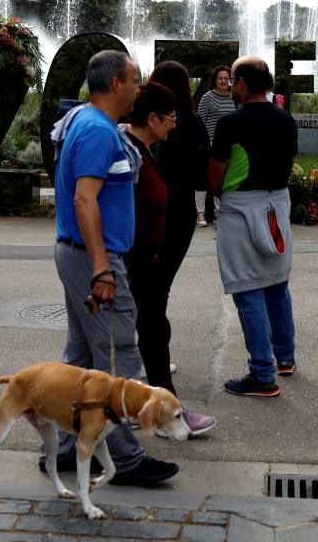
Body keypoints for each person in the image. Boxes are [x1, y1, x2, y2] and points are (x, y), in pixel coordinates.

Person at [49, 50, 179, 485]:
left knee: (83, 357)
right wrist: (103, 269)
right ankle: (124, 457)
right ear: (117, 84)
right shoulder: (97, 132)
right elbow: (84, 200)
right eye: (135, 79)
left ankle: (65, 448)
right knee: (117, 354)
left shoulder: (91, 124)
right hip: (94, 259)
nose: (140, 88)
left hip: (85, 255)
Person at [123, 82, 216, 437]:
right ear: (152, 118)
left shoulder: (146, 151)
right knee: (147, 329)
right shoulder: (131, 153)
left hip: (144, 258)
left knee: (151, 327)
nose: (175, 125)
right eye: (171, 118)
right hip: (135, 261)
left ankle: (158, 410)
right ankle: (160, 415)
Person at [208, 56, 298, 398]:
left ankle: (262, 373)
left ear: (242, 83)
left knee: (247, 290)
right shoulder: (285, 120)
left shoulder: (231, 123)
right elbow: (289, 165)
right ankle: (285, 358)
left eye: (233, 80)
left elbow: (215, 177)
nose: (231, 86)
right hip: (277, 204)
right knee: (277, 284)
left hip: (241, 209)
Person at [195, 65, 236, 225]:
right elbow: (200, 121)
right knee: (203, 180)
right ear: (215, 80)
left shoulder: (233, 97)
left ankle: (220, 212)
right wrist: (204, 143)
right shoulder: (207, 97)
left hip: (229, 146)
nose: (224, 81)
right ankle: (200, 214)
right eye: (221, 78)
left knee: (223, 179)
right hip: (209, 144)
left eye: (227, 78)